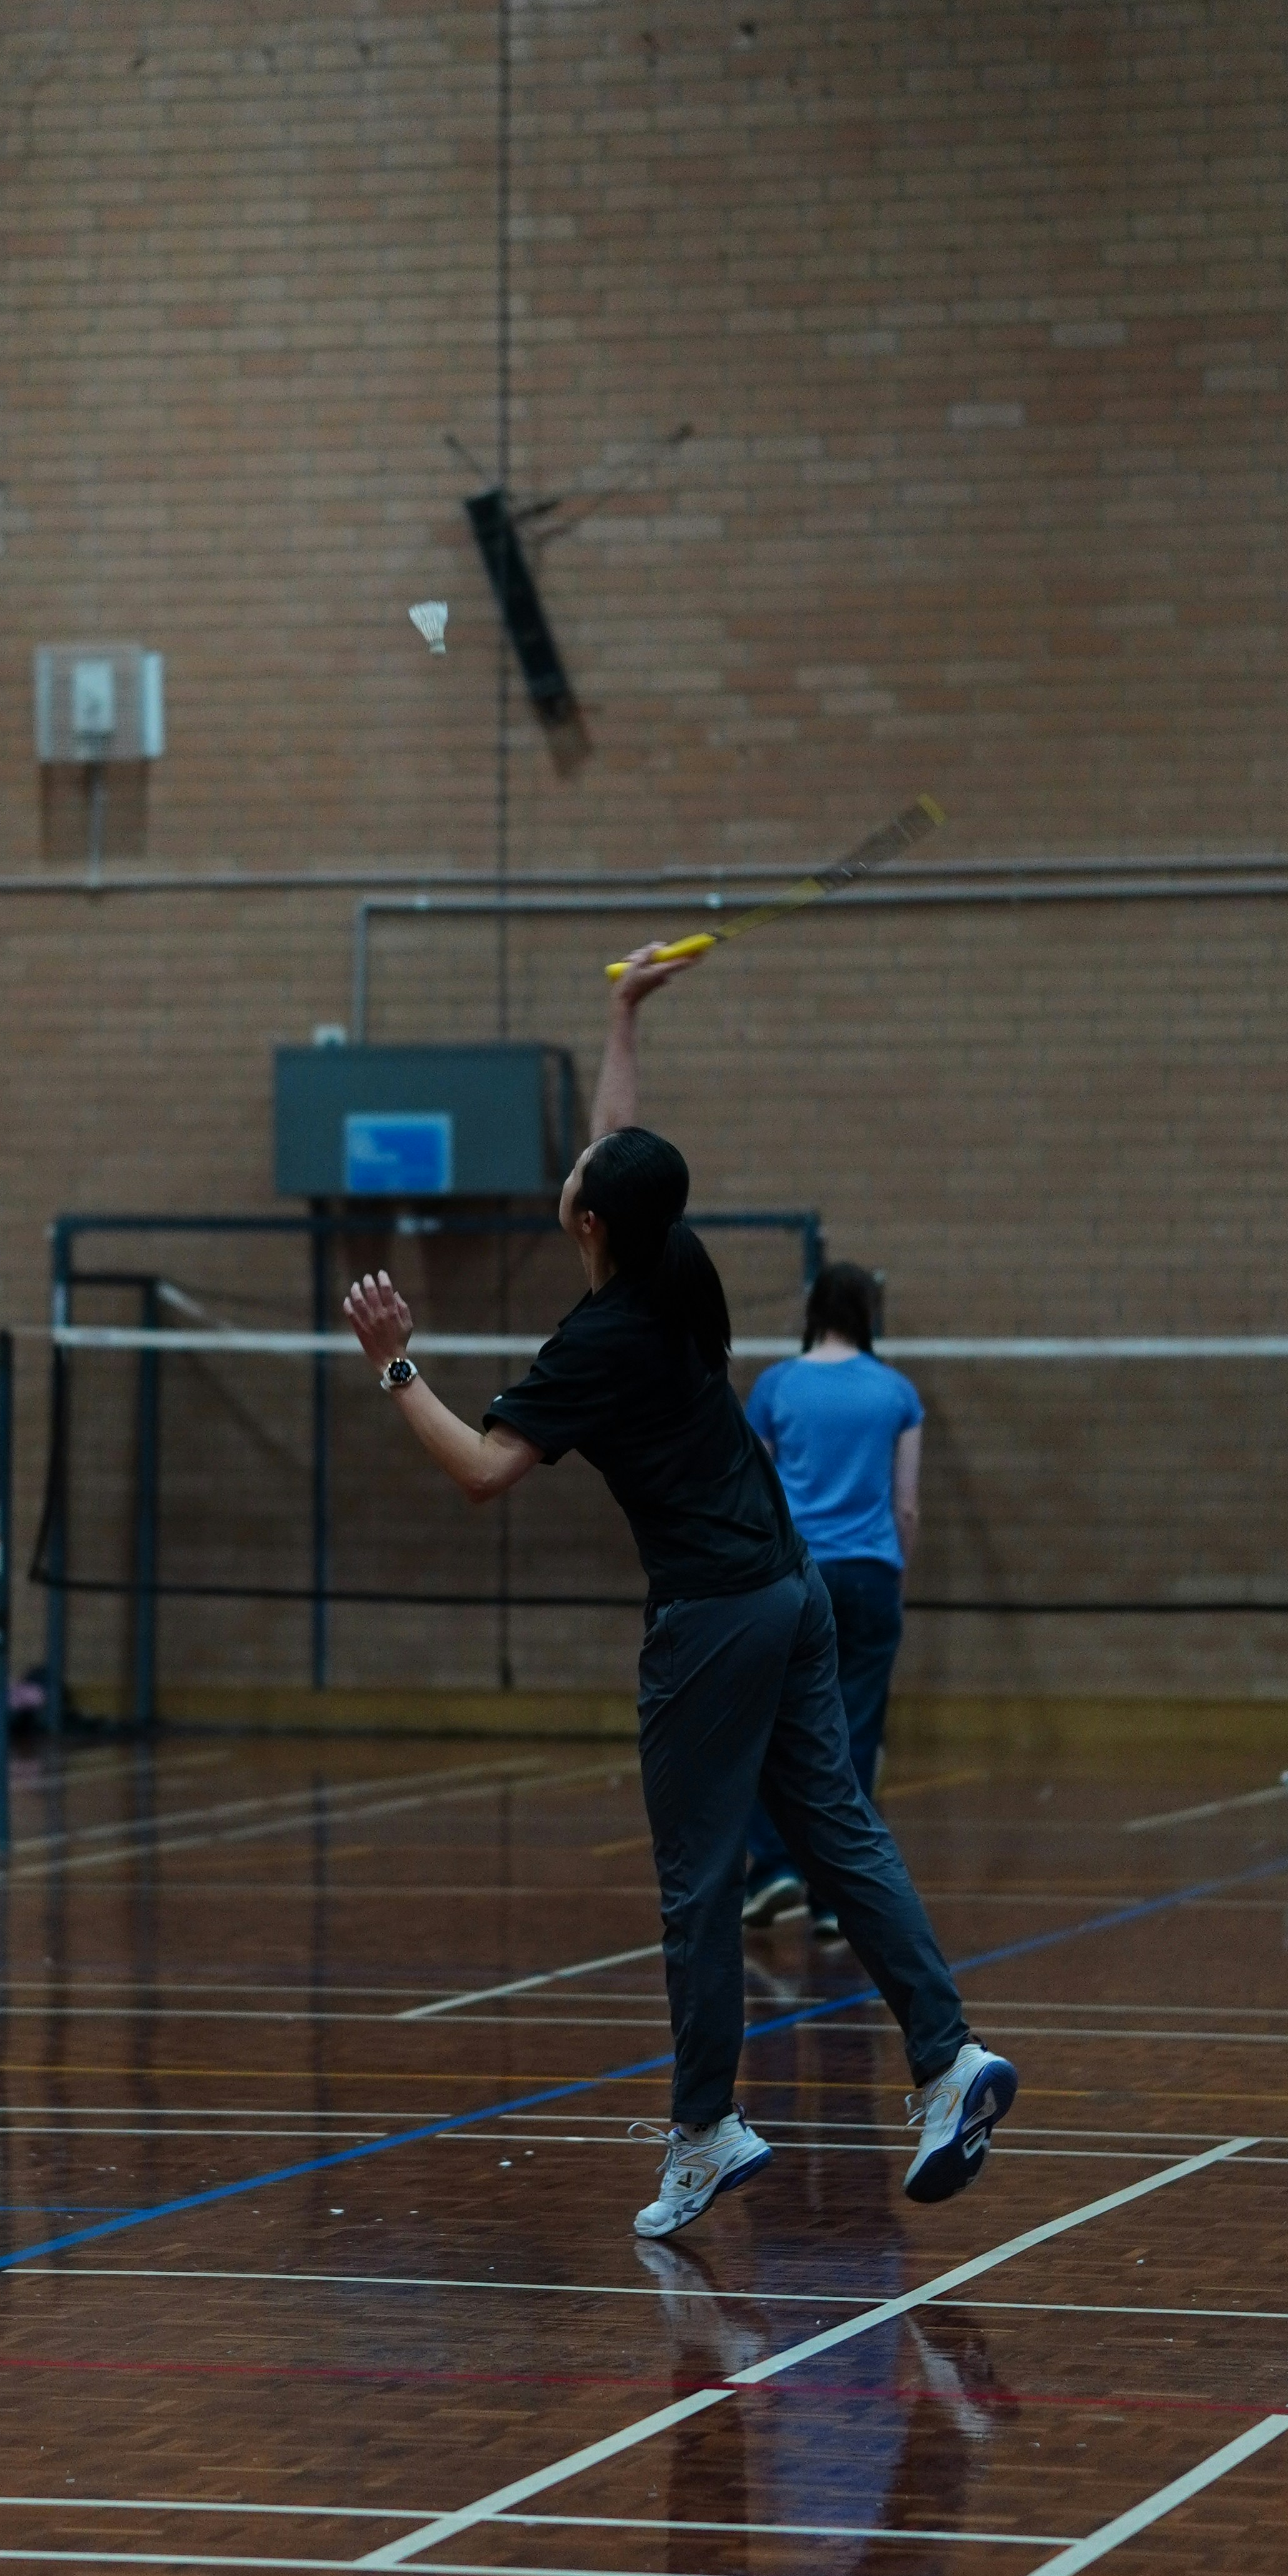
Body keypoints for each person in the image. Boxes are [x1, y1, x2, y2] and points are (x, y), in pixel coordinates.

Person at [342, 946, 1016, 2242]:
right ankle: (943, 2059)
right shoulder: (676, 1262)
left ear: (587, 1223)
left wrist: (393, 1369)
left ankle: (705, 2129)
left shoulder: (594, 1345)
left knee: (698, 1883)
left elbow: (484, 1472)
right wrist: (618, 1012)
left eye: (578, 1185)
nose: (575, 1175)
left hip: (709, 1619)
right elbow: (619, 1143)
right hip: (791, 1587)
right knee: (840, 1836)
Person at [736, 1259, 921, 1934]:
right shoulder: (897, 1393)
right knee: (854, 1733)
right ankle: (835, 1894)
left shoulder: (775, 1387)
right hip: (870, 1575)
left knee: (769, 1724)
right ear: (869, 1314)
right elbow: (905, 1506)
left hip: (791, 1576)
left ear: (813, 1311)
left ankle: (778, 1864)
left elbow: (753, 1499)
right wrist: (896, 1578)